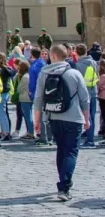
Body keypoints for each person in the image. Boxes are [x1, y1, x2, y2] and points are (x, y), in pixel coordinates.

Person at [33, 44, 90, 201]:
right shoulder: (75, 73)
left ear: (53, 55)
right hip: (74, 118)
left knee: (61, 150)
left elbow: (38, 99)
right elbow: (85, 99)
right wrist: (87, 119)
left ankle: (64, 183)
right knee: (71, 152)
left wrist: (36, 121)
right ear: (67, 56)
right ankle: (64, 186)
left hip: (54, 117)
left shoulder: (44, 74)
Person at [74, 44, 98, 148]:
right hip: (93, 92)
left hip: (83, 95)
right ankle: (90, 136)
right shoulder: (93, 62)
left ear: (76, 53)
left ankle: (89, 140)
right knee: (92, 116)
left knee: (84, 117)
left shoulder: (78, 64)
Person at [28, 47, 51, 145]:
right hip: (45, 92)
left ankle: (44, 137)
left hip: (38, 93)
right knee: (46, 115)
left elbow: (34, 81)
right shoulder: (43, 64)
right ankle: (47, 136)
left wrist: (31, 91)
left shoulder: (35, 66)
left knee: (42, 115)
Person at [0, 53, 15, 141]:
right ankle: (5, 131)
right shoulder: (7, 68)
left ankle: (6, 132)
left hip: (2, 92)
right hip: (6, 92)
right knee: (4, 113)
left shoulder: (0, 70)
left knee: (1, 113)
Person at [16, 61, 34, 140]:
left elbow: (19, 89)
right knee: (29, 116)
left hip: (25, 99)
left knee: (28, 116)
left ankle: (31, 133)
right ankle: (30, 131)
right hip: (28, 98)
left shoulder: (25, 77)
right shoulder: (29, 75)